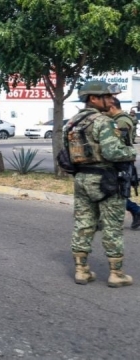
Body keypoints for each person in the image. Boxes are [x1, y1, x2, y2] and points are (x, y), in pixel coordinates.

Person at [66, 81, 136, 288]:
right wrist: (132, 152)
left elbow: (66, 155)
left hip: (81, 179)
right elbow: (112, 152)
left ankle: (81, 270)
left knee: (83, 224)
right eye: (107, 96)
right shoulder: (103, 122)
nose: (111, 100)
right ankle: (116, 273)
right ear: (93, 98)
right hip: (106, 180)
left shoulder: (72, 122)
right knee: (112, 226)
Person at [106, 97, 140, 229]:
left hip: (121, 160)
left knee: (115, 191)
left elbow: (116, 140)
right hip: (118, 159)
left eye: (106, 108)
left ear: (112, 107)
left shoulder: (122, 121)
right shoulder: (117, 120)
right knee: (111, 190)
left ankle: (136, 210)